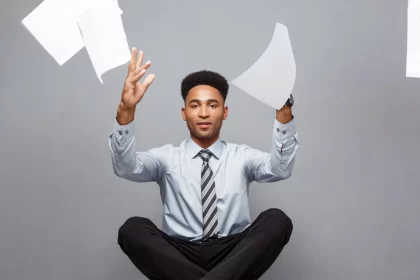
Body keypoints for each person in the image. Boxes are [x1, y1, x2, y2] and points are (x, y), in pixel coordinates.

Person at [108, 48, 300, 280]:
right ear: (184, 112)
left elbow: (281, 168)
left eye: (212, 105)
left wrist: (284, 110)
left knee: (277, 220)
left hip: (233, 252)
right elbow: (125, 167)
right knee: (132, 229)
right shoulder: (167, 158)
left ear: (224, 111)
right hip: (178, 253)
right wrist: (126, 109)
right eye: (195, 105)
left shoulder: (242, 156)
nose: (203, 113)